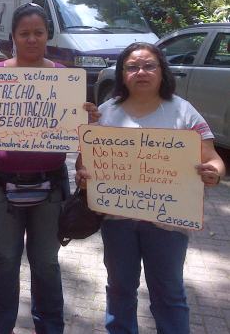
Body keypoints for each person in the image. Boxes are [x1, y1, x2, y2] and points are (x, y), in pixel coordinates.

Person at [75, 42, 226, 334]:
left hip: (168, 224)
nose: (140, 72)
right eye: (132, 67)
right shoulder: (106, 112)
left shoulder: (184, 112)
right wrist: (83, 176)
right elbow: (86, 163)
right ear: (121, 74)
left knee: (168, 294)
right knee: (119, 290)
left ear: (161, 71)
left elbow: (214, 160)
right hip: (117, 222)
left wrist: (214, 173)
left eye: (149, 66)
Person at [0, 3, 98, 334]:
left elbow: (77, 129)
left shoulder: (65, 76)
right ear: (12, 36)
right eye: (24, 33)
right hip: (2, 185)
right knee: (6, 261)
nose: (31, 39)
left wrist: (87, 119)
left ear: (47, 35)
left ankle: (50, 328)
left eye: (38, 33)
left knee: (46, 264)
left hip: (50, 187)